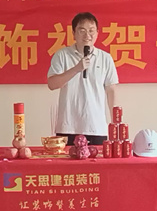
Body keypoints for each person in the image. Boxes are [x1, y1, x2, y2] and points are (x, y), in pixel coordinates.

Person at [47, 12, 119, 146]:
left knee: (97, 160)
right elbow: (52, 84)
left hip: (96, 127)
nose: (87, 35)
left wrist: (115, 122)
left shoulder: (105, 58)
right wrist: (76, 69)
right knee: (66, 161)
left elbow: (111, 90)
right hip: (67, 126)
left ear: (97, 33)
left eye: (91, 31)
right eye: (82, 31)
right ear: (74, 33)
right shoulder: (62, 55)